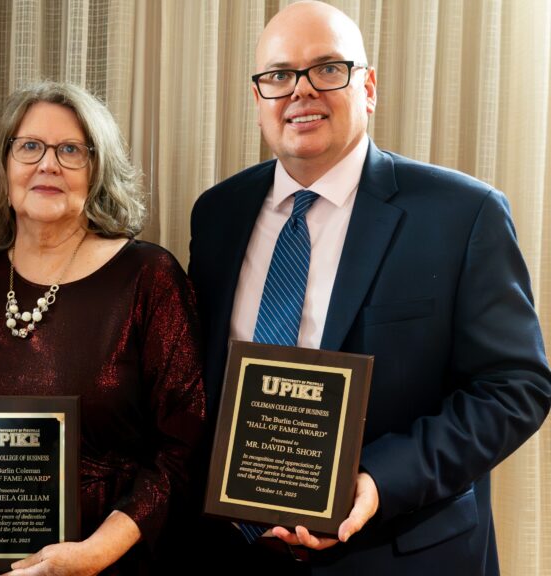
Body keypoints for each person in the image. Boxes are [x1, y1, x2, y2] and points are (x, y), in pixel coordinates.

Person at [189, 1, 551, 574]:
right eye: (279, 75)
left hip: (402, 550)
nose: (301, 91)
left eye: (328, 68)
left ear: (369, 86)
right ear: (258, 98)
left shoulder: (463, 214)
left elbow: (515, 387)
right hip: (234, 554)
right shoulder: (216, 216)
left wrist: (380, 481)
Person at [0, 81, 206, 575]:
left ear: (98, 168)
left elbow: (183, 449)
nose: (48, 164)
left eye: (70, 150)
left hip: (103, 563)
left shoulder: (148, 278)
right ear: (5, 165)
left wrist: (95, 554)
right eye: (29, 147)